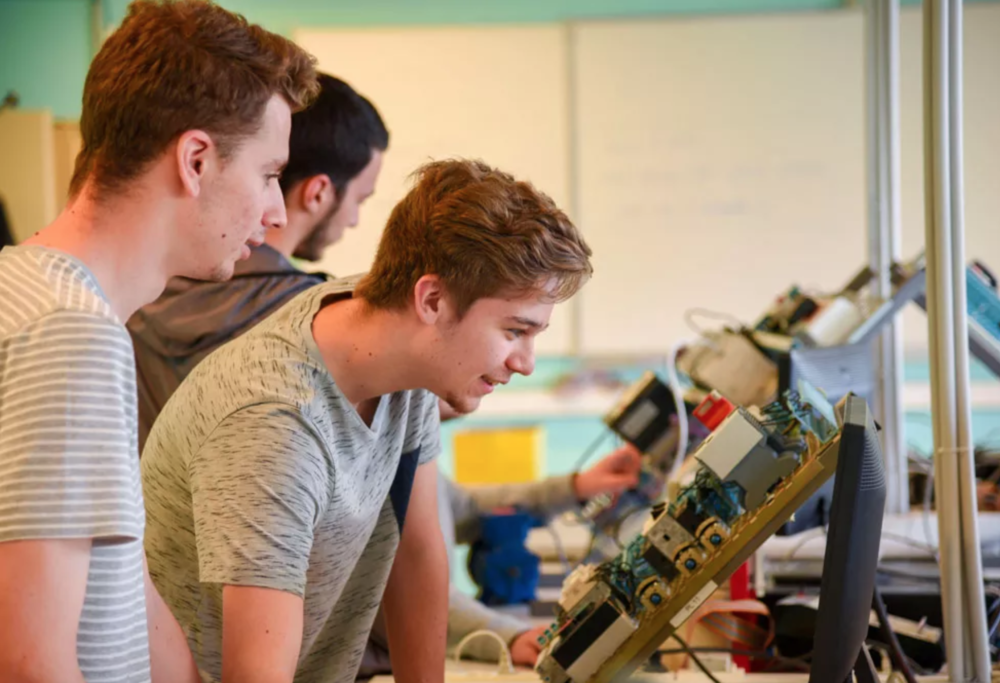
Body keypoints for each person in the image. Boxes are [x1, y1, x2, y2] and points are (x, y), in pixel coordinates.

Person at [140, 158, 593, 683]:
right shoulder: (275, 425)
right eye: (516, 331)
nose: (525, 362)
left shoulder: (403, 347)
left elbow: (416, 553)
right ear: (432, 300)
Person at [0, 1, 318, 682]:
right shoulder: (69, 333)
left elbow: (120, 579)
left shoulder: (35, 293)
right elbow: (29, 661)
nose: (278, 211)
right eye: (268, 173)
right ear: (196, 159)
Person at [128, 72, 388, 448]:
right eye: (359, 200)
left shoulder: (146, 287)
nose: (354, 219)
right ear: (317, 193)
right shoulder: (316, 316)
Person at [360, 396, 643, 673]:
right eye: (510, 344)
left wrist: (577, 487)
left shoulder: (408, 446)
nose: (522, 364)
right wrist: (510, 636)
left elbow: (470, 509)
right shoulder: (377, 459)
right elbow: (409, 595)